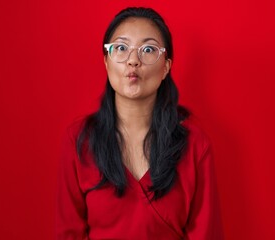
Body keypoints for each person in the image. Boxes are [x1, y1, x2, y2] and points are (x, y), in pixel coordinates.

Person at [56, 7, 224, 240]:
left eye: (148, 50)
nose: (133, 61)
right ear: (106, 61)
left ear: (166, 66)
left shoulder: (195, 145)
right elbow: (68, 233)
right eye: (121, 48)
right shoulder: (79, 140)